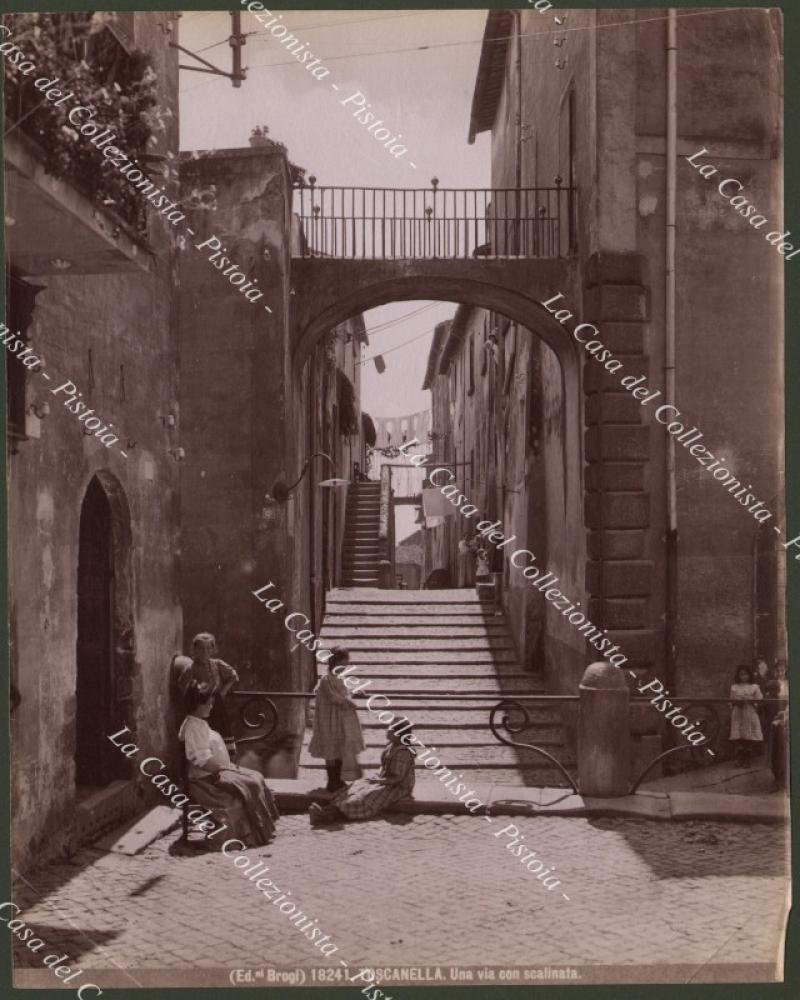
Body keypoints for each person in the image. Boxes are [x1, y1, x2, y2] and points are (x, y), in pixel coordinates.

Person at [179, 680, 278, 846]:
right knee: (251, 784)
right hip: (206, 781)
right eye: (209, 703)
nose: (212, 706)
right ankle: (254, 833)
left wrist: (228, 769)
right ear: (197, 704)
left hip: (215, 772)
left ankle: (262, 830)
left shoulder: (199, 723)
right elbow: (200, 760)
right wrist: (225, 770)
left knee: (257, 777)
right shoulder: (192, 727)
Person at [309, 725, 416, 825]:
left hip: (397, 786)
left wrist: (380, 781)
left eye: (390, 729)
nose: (387, 731)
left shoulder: (403, 752)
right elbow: (385, 767)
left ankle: (328, 816)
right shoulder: (391, 746)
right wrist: (377, 777)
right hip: (386, 780)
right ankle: (328, 810)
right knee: (356, 786)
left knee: (367, 795)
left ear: (398, 734)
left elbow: (398, 777)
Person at [308, 647, 365, 792]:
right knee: (331, 750)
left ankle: (339, 780)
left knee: (339, 749)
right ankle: (332, 782)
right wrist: (347, 702)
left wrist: (354, 692)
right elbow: (334, 697)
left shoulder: (340, 678)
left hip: (340, 720)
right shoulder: (326, 680)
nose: (346, 666)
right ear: (336, 662)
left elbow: (343, 692)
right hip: (330, 720)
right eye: (344, 663)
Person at [173, 633, 239, 753]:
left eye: (209, 648)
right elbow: (182, 687)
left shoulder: (217, 664)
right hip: (201, 708)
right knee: (205, 734)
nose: (205, 651)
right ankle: (209, 759)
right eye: (201, 648)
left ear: (213, 649)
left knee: (221, 730)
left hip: (217, 705)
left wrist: (223, 691)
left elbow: (233, 675)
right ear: (195, 650)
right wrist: (195, 698)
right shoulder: (190, 668)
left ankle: (224, 755)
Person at [729, 665, 763, 765]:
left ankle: (747, 759)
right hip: (738, 712)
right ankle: (740, 759)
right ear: (738, 676)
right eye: (741, 674)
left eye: (745, 674)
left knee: (749, 735)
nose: (743, 677)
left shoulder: (754, 687)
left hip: (749, 712)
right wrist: (736, 702)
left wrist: (752, 701)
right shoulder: (734, 687)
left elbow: (759, 700)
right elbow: (730, 700)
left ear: (749, 675)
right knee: (739, 735)